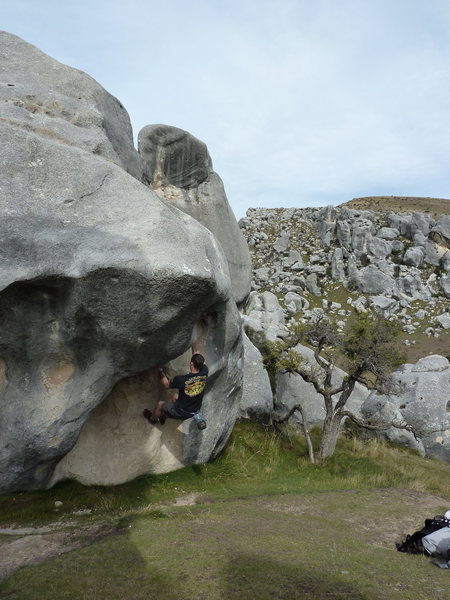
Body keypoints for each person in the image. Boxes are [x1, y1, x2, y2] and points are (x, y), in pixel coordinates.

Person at [143, 353, 208, 428]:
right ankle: (164, 415)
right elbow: (197, 353)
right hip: (194, 411)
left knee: (160, 404)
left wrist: (160, 370)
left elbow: (166, 385)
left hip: (183, 412)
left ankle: (153, 419)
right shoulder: (204, 373)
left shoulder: (181, 379)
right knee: (175, 396)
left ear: (191, 363)